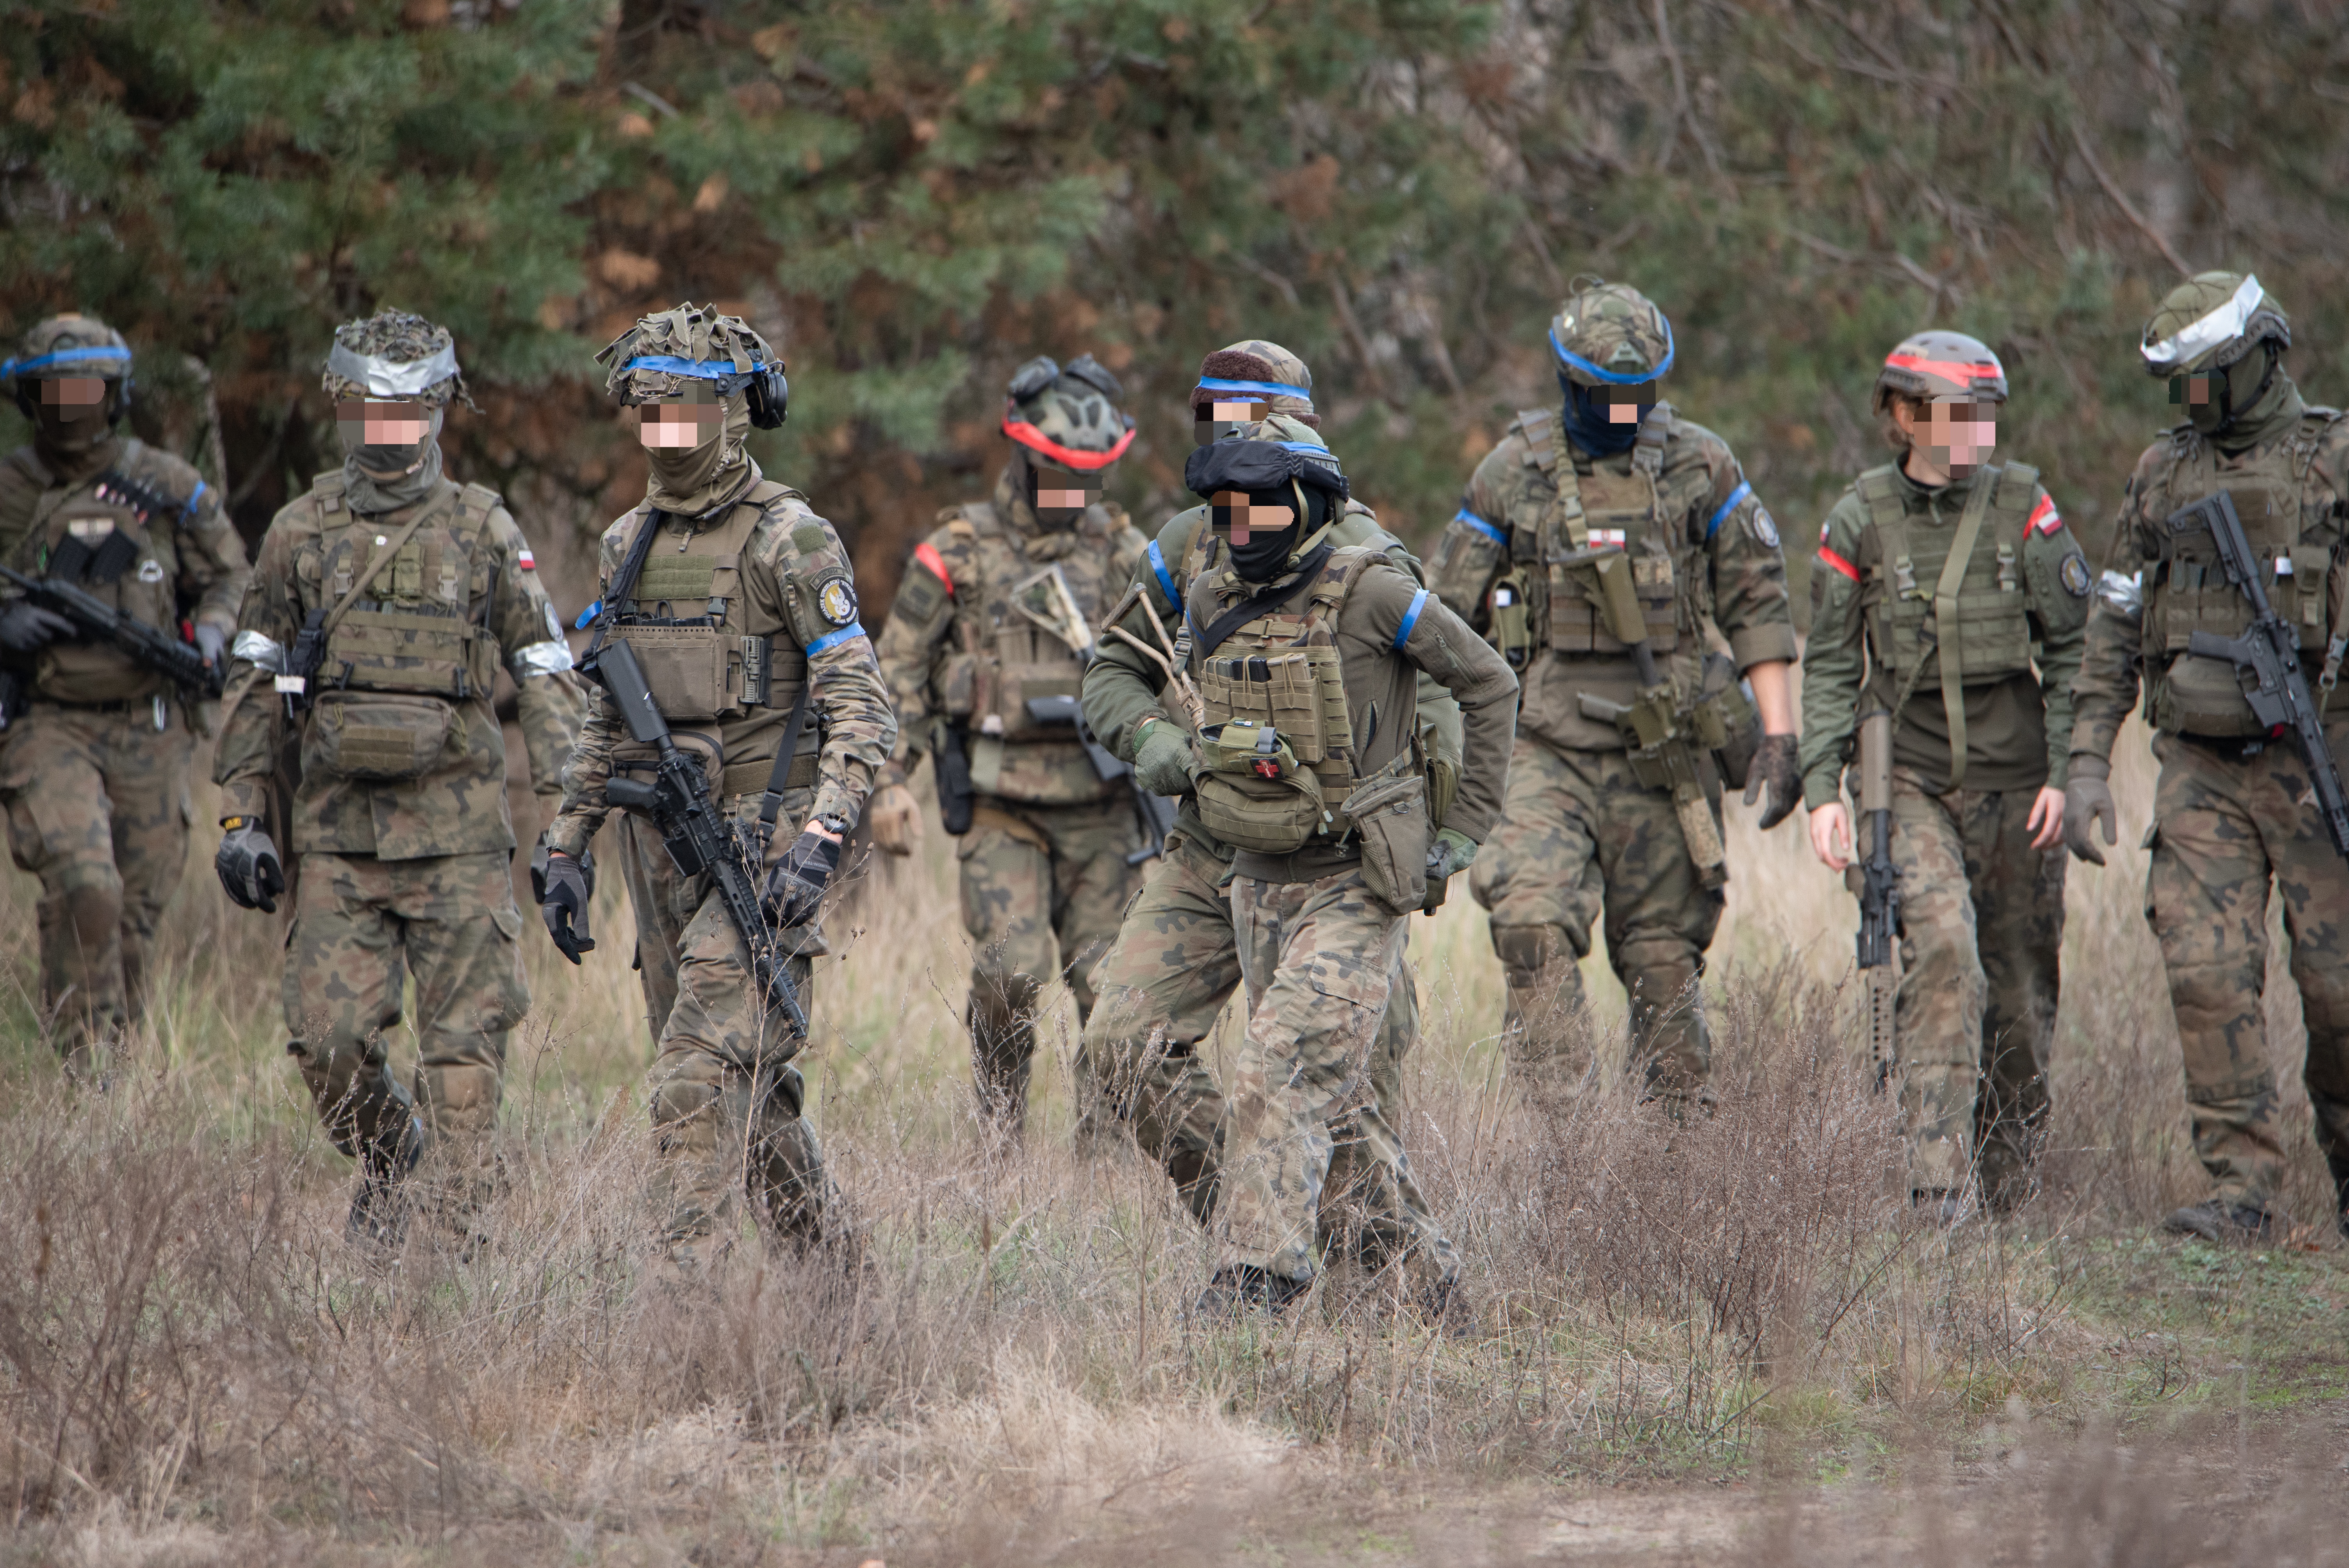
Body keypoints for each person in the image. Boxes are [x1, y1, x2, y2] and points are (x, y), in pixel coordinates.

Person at [1078, 343, 1463, 1273]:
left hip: (1334, 861)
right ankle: (1255, 1231)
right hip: (1209, 843)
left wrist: (1435, 837)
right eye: (1211, 416)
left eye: (1246, 416)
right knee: (1121, 1048)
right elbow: (1110, 671)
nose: (1227, 436)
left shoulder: (1364, 554)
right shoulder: (1184, 543)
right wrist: (1150, 738)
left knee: (1337, 1101)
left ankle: (1409, 1294)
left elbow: (1444, 695)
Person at [213, 310, 584, 1247]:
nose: (390, 430)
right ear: (344, 409)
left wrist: (567, 827)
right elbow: (253, 677)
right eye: (372, 412)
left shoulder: (481, 527)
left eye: (408, 411)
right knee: (328, 1043)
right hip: (339, 838)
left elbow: (545, 672)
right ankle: (392, 1156)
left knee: (464, 1060)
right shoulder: (299, 532)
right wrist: (241, 818)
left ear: (438, 412)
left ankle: (456, 1265)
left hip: (459, 841)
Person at [539, 303, 895, 1270]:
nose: (666, 437)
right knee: (748, 1098)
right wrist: (566, 846)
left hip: (761, 849)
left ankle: (685, 1309)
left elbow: (862, 706)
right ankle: (837, 1281)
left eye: (685, 415)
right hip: (658, 848)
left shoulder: (790, 540)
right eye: (648, 416)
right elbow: (603, 716)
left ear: (734, 414)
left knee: (691, 1083)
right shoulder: (627, 544)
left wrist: (821, 839)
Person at [1160, 425, 1517, 1316]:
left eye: (1260, 508)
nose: (1242, 527)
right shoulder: (1207, 598)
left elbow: (1488, 682)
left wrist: (1463, 830)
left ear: (1308, 505)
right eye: (1226, 511)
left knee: (1279, 1068)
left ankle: (1255, 1281)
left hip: (1358, 878)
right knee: (1341, 1106)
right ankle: (1430, 1294)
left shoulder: (1375, 592)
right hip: (1256, 880)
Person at [1428, 281, 1800, 1105]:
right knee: (1528, 924)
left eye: (1639, 393)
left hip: (1664, 749)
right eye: (1605, 394)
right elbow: (1442, 620)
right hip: (1542, 746)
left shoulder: (1701, 464)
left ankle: (1671, 1157)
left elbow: (1757, 603)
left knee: (1664, 960)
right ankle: (1568, 1144)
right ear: (1570, 382)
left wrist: (1777, 738)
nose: (1622, 411)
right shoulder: (1511, 471)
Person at [2066, 272, 2349, 1244]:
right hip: (2199, 766)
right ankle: (2241, 1192)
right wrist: (2085, 764)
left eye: (2199, 381)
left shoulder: (2334, 459)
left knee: (2337, 989)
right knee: (2203, 968)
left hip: (2321, 763)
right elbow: (2112, 621)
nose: (2186, 402)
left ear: (2253, 359)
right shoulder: (2160, 473)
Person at [1800, 332, 2091, 1219]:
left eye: (1984, 416)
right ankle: (1936, 1184)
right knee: (1944, 956)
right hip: (1909, 783)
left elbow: (2073, 648)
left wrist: (2067, 769)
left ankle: (2009, 1187)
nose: (1976, 432)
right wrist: (1821, 789)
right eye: (1958, 415)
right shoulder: (1858, 518)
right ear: (1903, 414)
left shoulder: (2024, 506)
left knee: (2018, 987)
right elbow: (1828, 665)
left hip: (2019, 788)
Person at [867, 354, 1149, 1134]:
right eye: (1059, 473)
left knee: (1112, 995)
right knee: (1008, 978)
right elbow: (898, 669)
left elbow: (1175, 666)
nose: (1074, 491)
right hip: (1002, 808)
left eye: (1088, 477)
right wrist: (889, 781)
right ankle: (998, 1143)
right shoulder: (957, 550)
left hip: (1105, 813)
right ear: (1025, 458)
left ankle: (1107, 1166)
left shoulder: (1127, 552)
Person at [0, 313, 251, 1077]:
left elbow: (231, 576)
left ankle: (121, 1065)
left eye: (86, 391)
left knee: (135, 919)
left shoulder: (166, 485)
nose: (70, 407)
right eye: (55, 392)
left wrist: (213, 632)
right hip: (47, 723)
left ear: (115, 395)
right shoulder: (11, 488)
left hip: (152, 723)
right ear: (29, 399)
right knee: (87, 886)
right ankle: (86, 1071)